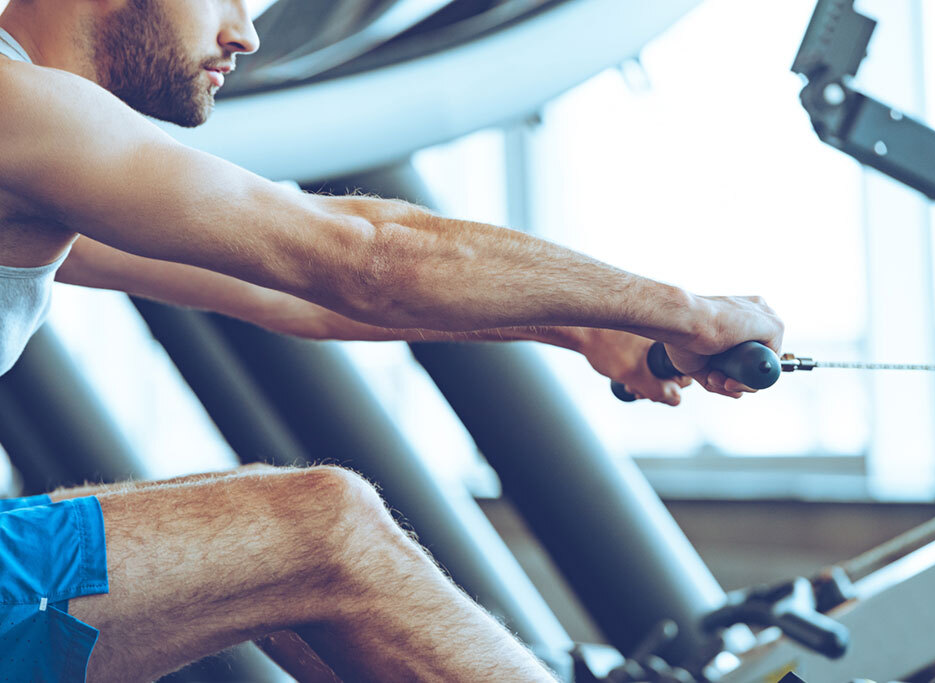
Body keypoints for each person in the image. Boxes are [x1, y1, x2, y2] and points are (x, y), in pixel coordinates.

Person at [0, 0, 784, 680]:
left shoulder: (43, 153)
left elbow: (293, 294)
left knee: (242, 560)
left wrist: (590, 326)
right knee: (324, 528)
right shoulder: (20, 108)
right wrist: (686, 310)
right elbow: (364, 255)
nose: (247, 34)